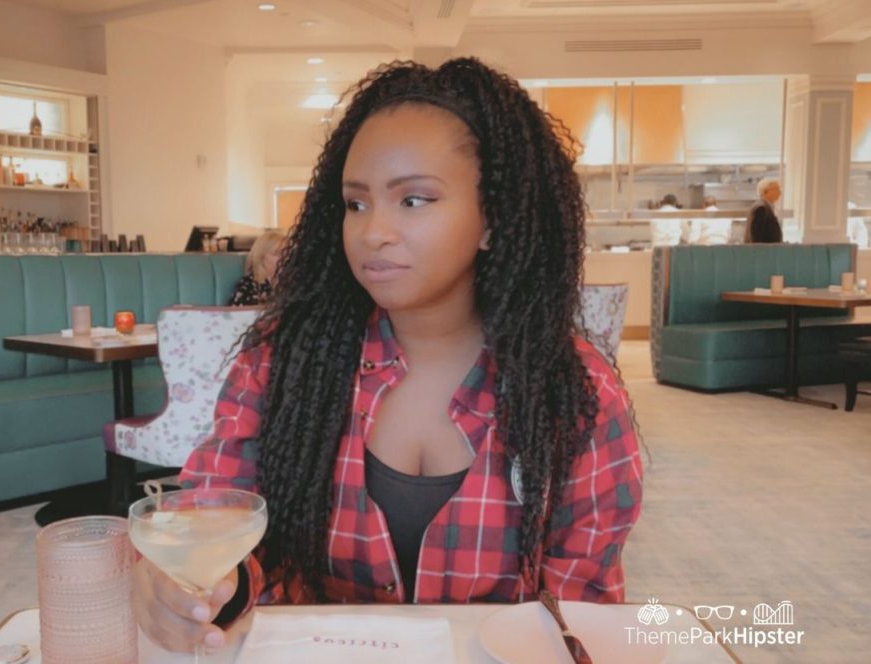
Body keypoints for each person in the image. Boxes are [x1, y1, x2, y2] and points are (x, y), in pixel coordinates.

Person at [134, 58, 644, 653]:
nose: (373, 231)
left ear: (493, 220)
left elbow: (581, 612)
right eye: (356, 204)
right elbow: (220, 526)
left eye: (413, 200)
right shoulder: (282, 363)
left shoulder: (574, 392)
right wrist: (187, 586)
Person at [228, 229, 285, 305]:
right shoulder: (249, 287)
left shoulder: (294, 282)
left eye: (286, 252)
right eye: (276, 253)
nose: (284, 257)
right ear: (260, 257)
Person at [745, 178, 782, 243]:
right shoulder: (761, 208)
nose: (779, 193)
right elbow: (756, 237)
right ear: (766, 191)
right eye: (776, 189)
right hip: (763, 251)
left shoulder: (766, 207)